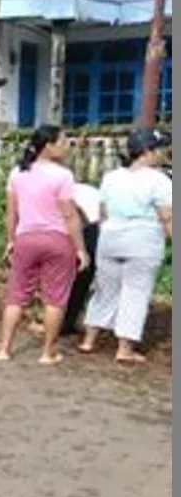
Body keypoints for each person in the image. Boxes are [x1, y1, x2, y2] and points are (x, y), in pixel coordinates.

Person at [0, 125, 89, 365]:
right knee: (55, 299)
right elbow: (70, 215)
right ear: (49, 145)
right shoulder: (62, 176)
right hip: (57, 241)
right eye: (63, 141)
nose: (66, 145)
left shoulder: (17, 173)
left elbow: (11, 213)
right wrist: (80, 248)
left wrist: (11, 240)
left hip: (26, 239)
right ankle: (48, 352)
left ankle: (4, 348)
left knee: (16, 295)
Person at [78, 129, 173, 363]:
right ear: (148, 152)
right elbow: (167, 217)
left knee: (104, 289)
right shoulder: (160, 180)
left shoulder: (111, 177)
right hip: (143, 241)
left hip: (110, 239)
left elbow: (102, 213)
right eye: (160, 148)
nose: (164, 153)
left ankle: (89, 340)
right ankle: (125, 348)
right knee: (136, 292)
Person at [58, 182, 103, 336]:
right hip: (102, 228)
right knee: (82, 279)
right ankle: (69, 322)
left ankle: (61, 323)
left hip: (92, 227)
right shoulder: (82, 189)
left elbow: (75, 214)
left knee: (75, 278)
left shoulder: (62, 190)